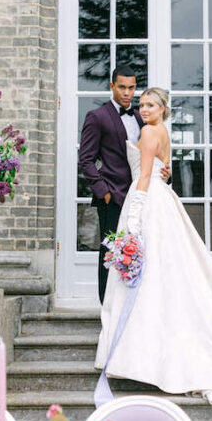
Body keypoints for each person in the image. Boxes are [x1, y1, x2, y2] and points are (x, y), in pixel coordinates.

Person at [94, 87, 212, 403]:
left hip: (148, 202)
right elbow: (164, 175)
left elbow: (145, 176)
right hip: (160, 197)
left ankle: (149, 358)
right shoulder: (160, 131)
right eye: (142, 105)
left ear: (163, 108)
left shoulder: (152, 132)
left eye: (151, 105)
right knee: (164, 275)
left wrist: (135, 217)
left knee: (152, 277)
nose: (145, 109)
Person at [78, 66, 169, 304]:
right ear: (112, 86)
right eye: (122, 87)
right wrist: (103, 192)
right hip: (114, 197)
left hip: (143, 195)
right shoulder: (97, 117)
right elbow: (86, 160)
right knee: (111, 253)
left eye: (131, 87)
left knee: (142, 251)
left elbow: (153, 155)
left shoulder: (143, 117)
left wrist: (165, 173)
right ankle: (106, 307)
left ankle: (134, 308)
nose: (127, 93)